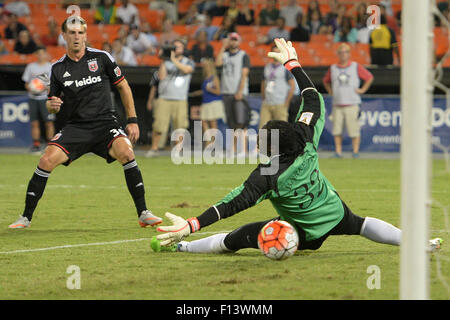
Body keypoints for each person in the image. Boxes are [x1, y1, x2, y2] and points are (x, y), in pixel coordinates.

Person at [153, 38, 443, 255]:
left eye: (263, 144)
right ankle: (419, 244)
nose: (259, 146)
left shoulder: (267, 176)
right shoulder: (304, 137)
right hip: (333, 211)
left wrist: (190, 225)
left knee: (238, 237)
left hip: (301, 232)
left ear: (274, 149)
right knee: (362, 225)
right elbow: (312, 97)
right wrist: (293, 64)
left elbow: (229, 205)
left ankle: (183, 248)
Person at [8, 16, 162, 229]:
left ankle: (144, 213)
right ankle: (25, 217)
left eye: (80, 32)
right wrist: (52, 106)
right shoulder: (58, 68)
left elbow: (124, 86)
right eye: (72, 33)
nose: (77, 37)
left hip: (105, 124)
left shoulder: (102, 57)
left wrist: (133, 120)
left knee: (127, 153)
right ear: (64, 36)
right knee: (46, 160)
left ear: (86, 35)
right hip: (77, 127)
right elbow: (52, 103)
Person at [322, 43, 374, 158]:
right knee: (337, 130)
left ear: (349, 54)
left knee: (353, 129)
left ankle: (355, 151)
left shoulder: (355, 66)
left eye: (345, 52)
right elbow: (325, 81)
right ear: (338, 54)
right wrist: (331, 91)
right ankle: (338, 151)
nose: (343, 55)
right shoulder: (333, 68)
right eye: (341, 52)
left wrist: (363, 89)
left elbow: (369, 77)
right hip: (337, 103)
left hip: (352, 103)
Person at [145, 39, 195, 158]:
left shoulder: (188, 61)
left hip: (180, 99)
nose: (176, 49)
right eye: (174, 47)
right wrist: (164, 59)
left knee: (180, 126)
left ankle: (178, 151)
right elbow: (161, 77)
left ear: (183, 49)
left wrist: (173, 60)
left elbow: (187, 70)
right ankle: (154, 148)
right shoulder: (166, 62)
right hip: (164, 98)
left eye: (178, 47)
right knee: (159, 125)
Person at [215, 32, 250, 156]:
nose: (233, 42)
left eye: (235, 39)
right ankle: (234, 149)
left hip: (238, 92)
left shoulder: (243, 55)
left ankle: (244, 149)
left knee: (242, 121)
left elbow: (244, 74)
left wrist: (240, 91)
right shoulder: (225, 55)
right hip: (227, 92)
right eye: (231, 40)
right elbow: (217, 63)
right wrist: (222, 47)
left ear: (239, 41)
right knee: (232, 122)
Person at [21, 46, 55, 153]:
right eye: (38, 54)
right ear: (36, 55)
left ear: (45, 54)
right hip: (33, 98)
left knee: (49, 122)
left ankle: (50, 145)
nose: (40, 56)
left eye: (42, 53)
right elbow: (26, 83)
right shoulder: (31, 67)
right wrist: (31, 88)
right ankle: (36, 144)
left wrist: (45, 88)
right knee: (34, 122)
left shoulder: (50, 67)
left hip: (45, 98)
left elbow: (54, 83)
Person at [190, 59, 225, 146]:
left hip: (213, 102)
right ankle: (208, 141)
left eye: (207, 66)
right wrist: (196, 93)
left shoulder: (214, 78)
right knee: (203, 121)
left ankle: (213, 143)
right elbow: (204, 90)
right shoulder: (206, 78)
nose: (206, 68)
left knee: (213, 123)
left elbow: (218, 91)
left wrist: (210, 89)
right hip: (205, 102)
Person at [259, 44, 295, 128]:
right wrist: (264, 98)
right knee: (263, 130)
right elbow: (263, 83)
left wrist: (286, 102)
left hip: (280, 103)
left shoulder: (285, 67)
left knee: (281, 130)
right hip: (267, 103)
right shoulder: (267, 67)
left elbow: (292, 86)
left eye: (278, 52)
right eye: (274, 52)